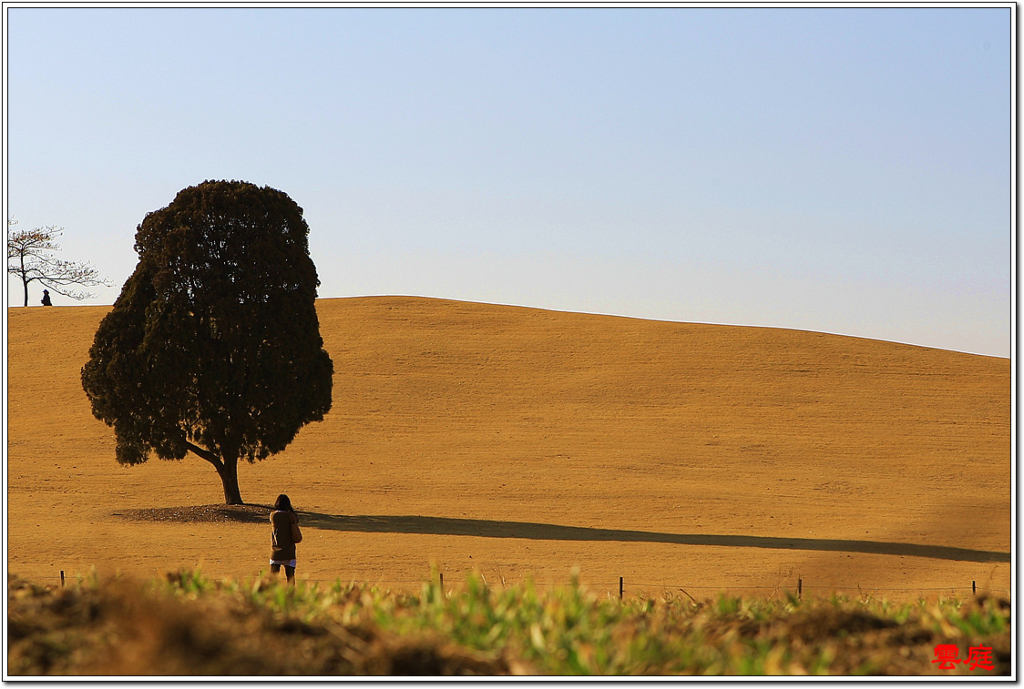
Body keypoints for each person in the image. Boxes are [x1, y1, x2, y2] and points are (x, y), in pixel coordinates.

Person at [269, 494, 301, 584]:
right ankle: (291, 596)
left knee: (273, 578)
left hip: (275, 551)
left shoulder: (273, 516)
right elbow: (296, 520)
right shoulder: (291, 516)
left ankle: (271, 595)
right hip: (289, 550)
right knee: (290, 577)